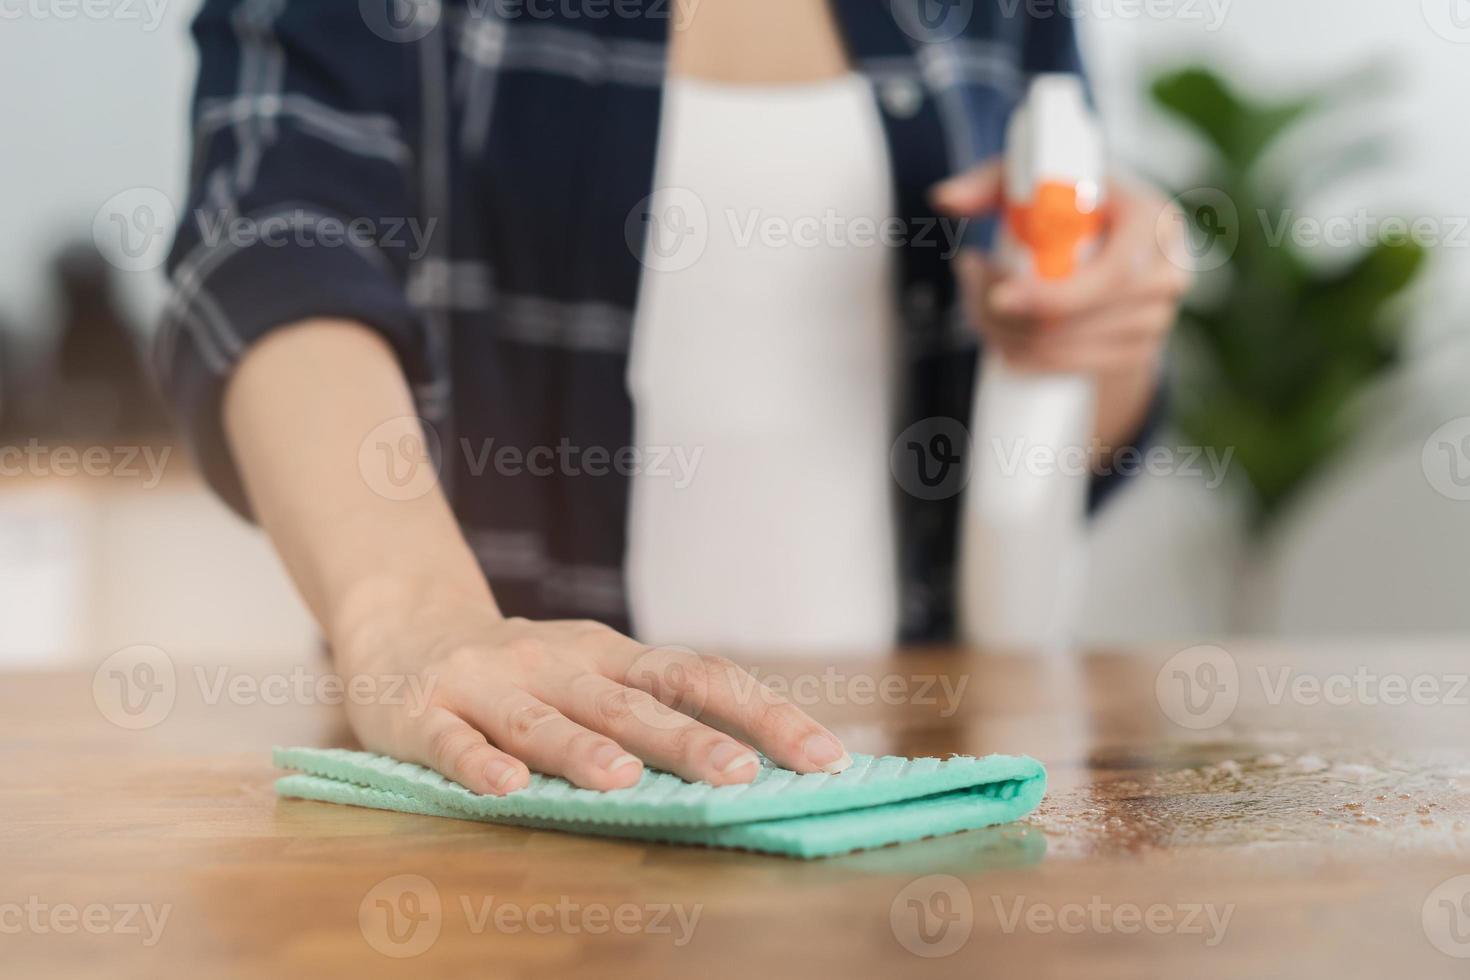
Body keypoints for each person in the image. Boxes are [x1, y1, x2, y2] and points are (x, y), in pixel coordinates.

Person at [155, 0, 1185, 797]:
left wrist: (1101, 324)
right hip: (508, 803)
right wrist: (411, 620)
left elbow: (1052, 455)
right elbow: (275, 245)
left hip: (909, 811)